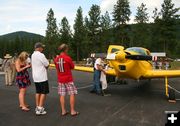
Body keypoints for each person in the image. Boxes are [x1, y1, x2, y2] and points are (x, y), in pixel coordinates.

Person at [54, 43, 79, 116]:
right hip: (68, 79)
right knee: (72, 94)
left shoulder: (56, 59)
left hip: (60, 79)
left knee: (62, 95)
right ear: (65, 50)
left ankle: (63, 111)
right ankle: (72, 111)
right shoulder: (67, 58)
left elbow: (57, 67)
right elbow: (72, 67)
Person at [31, 42, 49, 115]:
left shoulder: (33, 55)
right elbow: (47, 64)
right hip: (42, 76)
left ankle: (37, 107)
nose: (42, 49)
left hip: (35, 76)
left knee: (38, 92)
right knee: (43, 92)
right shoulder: (41, 55)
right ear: (39, 48)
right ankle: (40, 108)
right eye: (42, 47)